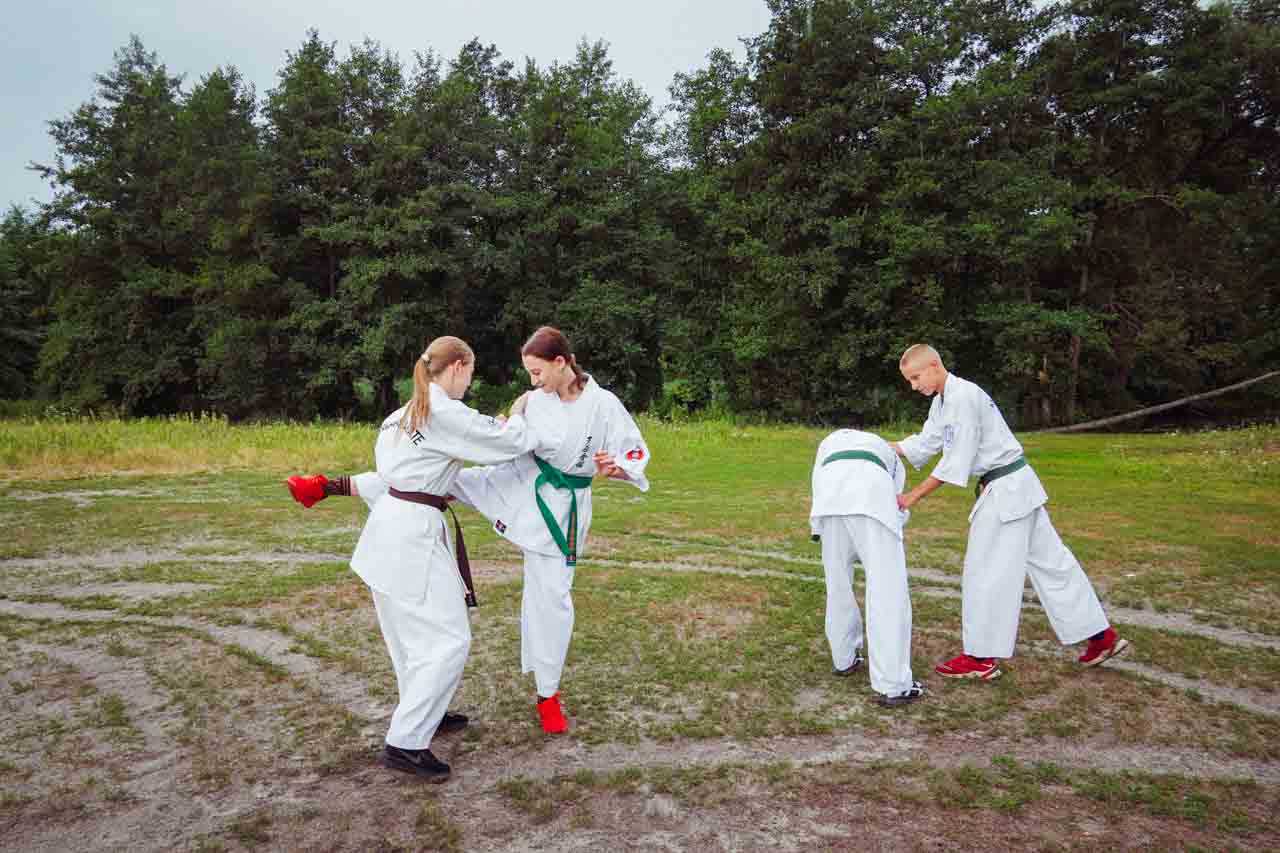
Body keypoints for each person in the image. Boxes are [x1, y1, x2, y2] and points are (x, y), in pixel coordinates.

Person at [288, 336, 549, 782]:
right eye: (470, 373)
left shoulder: (400, 415)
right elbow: (508, 443)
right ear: (459, 366)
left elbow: (392, 478)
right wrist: (520, 412)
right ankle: (406, 742)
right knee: (449, 640)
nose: (470, 383)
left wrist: (330, 486)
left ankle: (428, 710)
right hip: (411, 535)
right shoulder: (444, 412)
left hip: (389, 531)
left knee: (408, 640)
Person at [449, 326, 651, 733]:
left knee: (553, 599)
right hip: (522, 486)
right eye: (529, 373)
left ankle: (548, 694)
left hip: (563, 511)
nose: (532, 380)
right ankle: (340, 485)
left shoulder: (604, 404)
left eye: (537, 371)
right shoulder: (534, 402)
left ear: (561, 362)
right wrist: (509, 420)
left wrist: (618, 468)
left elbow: (633, 449)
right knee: (441, 479)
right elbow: (510, 440)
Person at [892, 344, 1129, 681]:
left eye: (916, 378)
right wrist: (878, 446)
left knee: (984, 573)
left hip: (1005, 492)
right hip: (1019, 489)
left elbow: (954, 462)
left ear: (933, 366)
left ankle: (980, 657)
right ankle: (1102, 638)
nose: (914, 386)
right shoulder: (943, 401)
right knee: (1053, 566)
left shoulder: (963, 398)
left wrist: (911, 497)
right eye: (910, 381)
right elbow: (926, 443)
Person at [810, 428, 925, 707]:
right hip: (872, 499)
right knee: (887, 589)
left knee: (838, 584)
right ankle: (894, 684)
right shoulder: (889, 456)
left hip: (828, 500)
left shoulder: (829, 441)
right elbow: (896, 505)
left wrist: (816, 528)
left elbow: (817, 479)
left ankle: (844, 659)